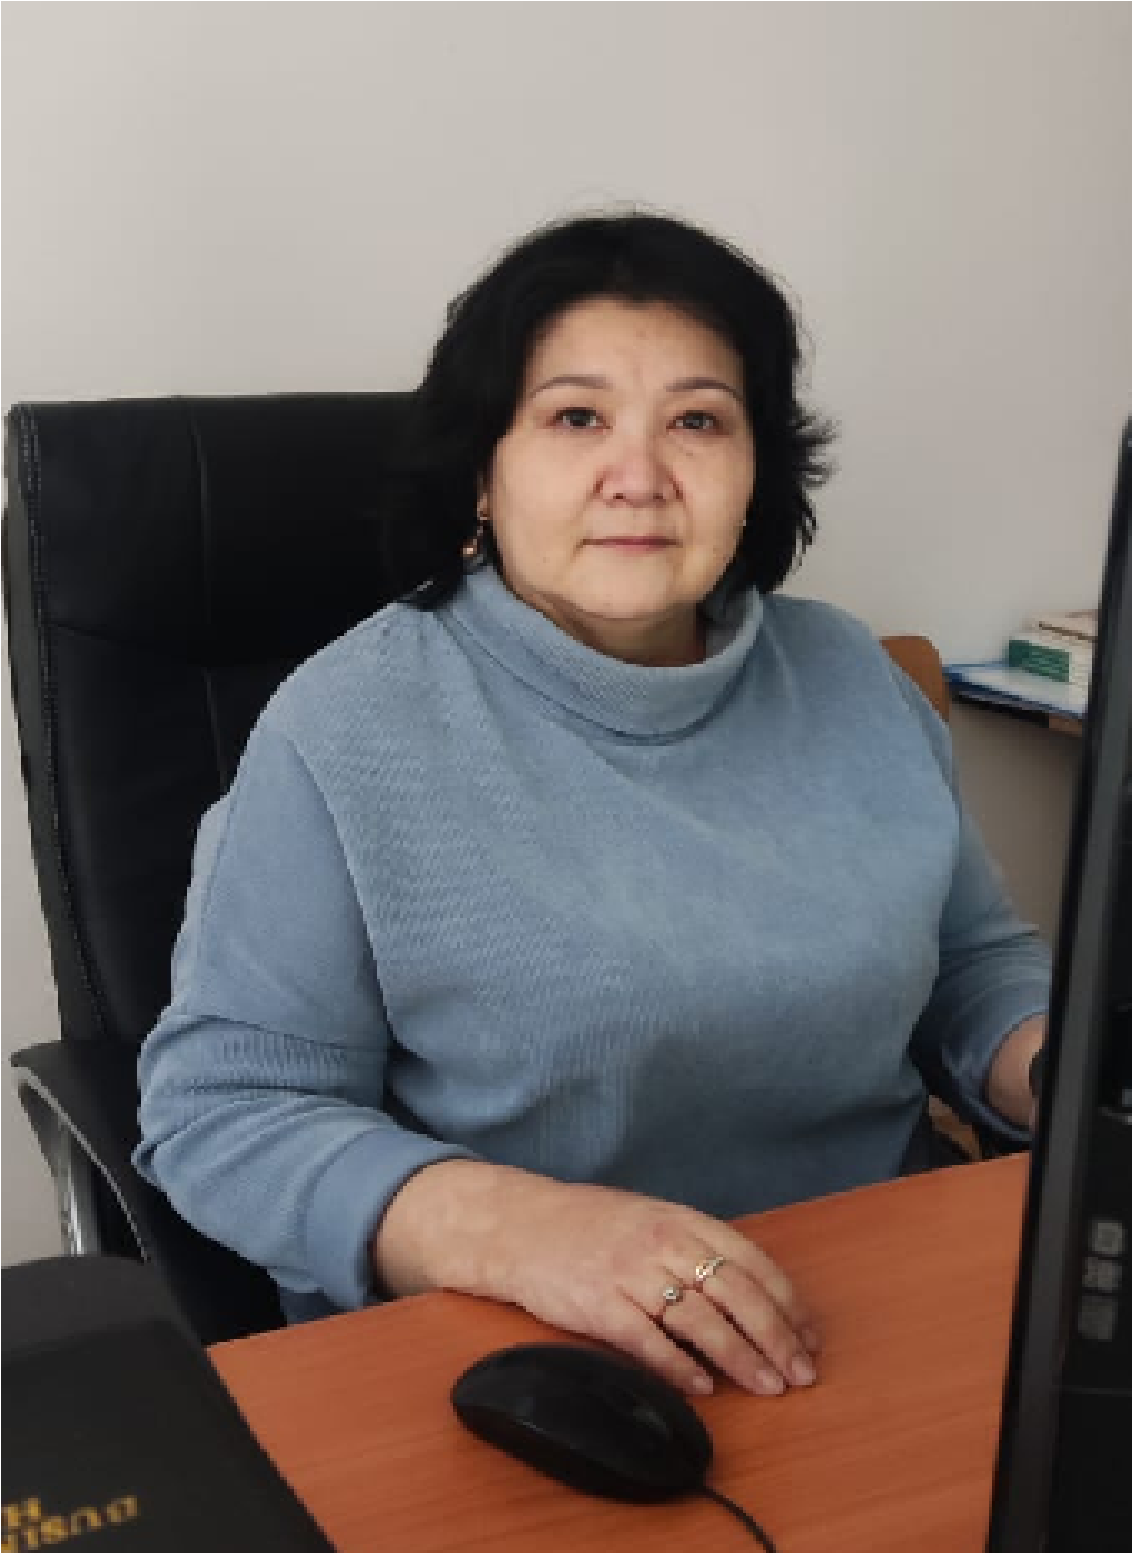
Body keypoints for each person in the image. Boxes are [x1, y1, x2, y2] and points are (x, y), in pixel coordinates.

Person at [135, 212, 1049, 1402]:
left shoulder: (848, 675)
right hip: (534, 1362)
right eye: (576, 418)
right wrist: (525, 1231)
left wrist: (1063, 1067)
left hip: (878, 1299)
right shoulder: (345, 730)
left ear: (757, 468)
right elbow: (226, 1112)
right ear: (482, 470)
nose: (641, 477)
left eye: (697, 421)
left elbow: (969, 966)